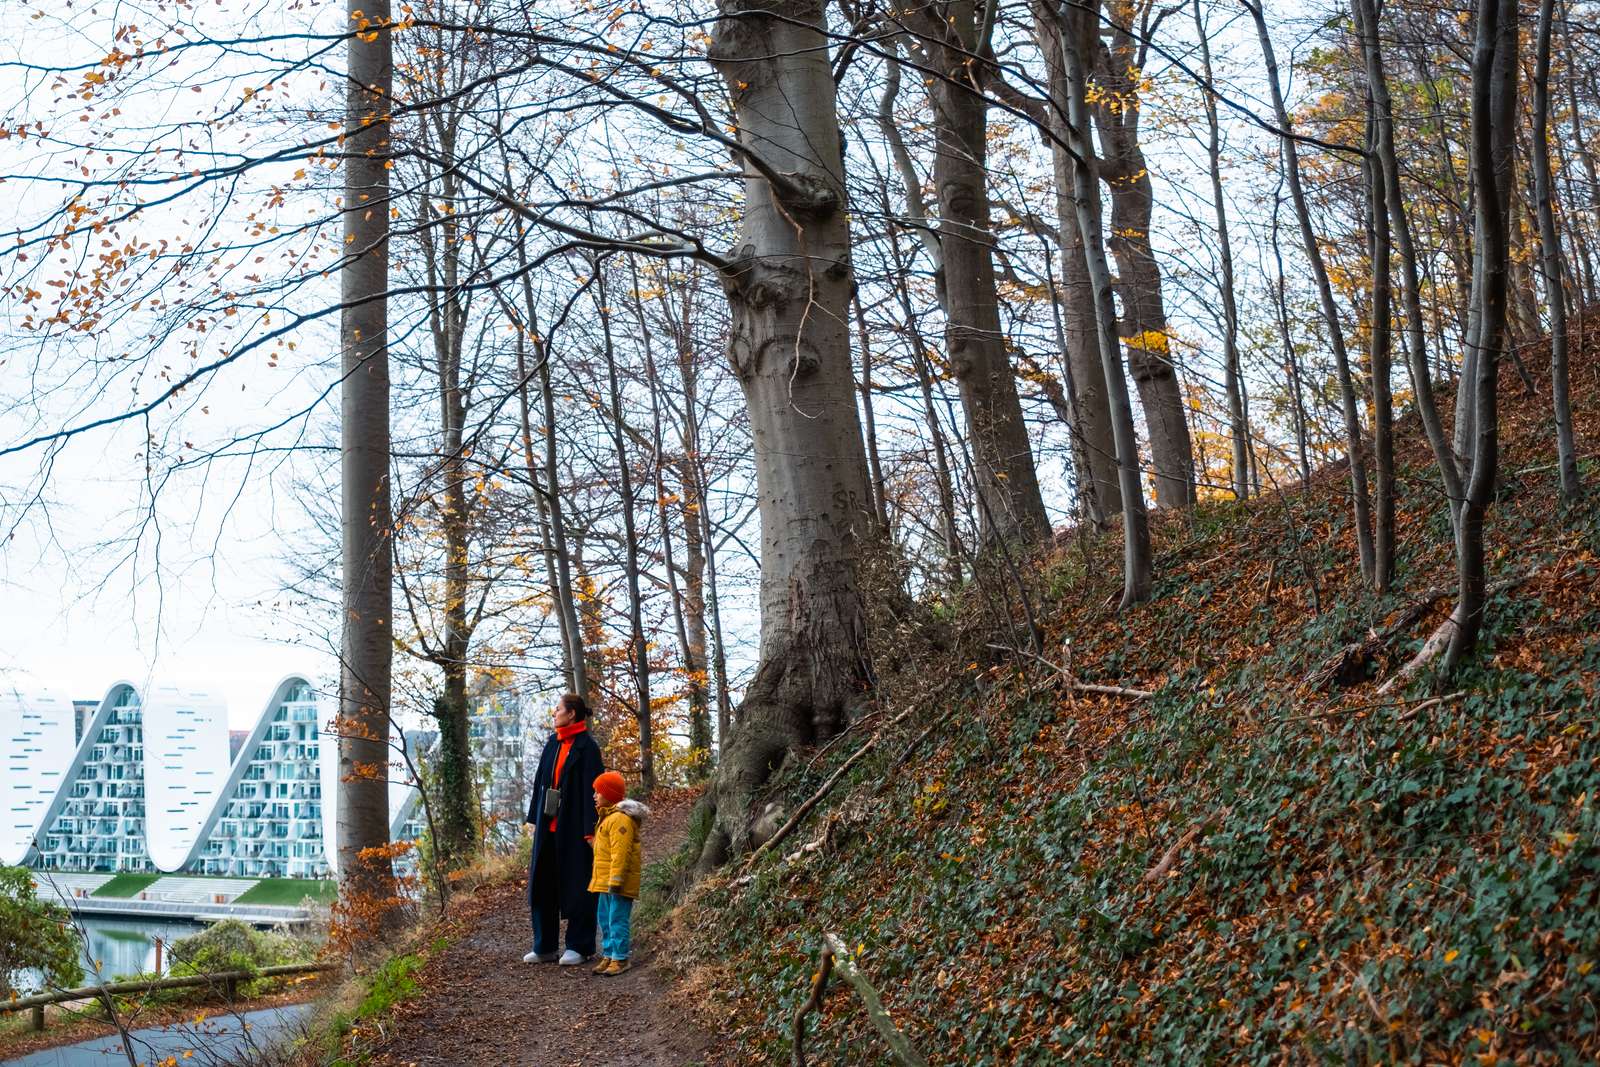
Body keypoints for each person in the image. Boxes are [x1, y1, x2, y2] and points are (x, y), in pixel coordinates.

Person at [523, 693, 605, 965]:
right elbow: (540, 783)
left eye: (557, 709)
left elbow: (593, 791)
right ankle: (544, 946)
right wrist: (534, 820)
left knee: (579, 884)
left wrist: (590, 830)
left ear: (571, 714)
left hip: (575, 828)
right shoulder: (552, 743)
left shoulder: (587, 747)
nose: (554, 713)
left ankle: (579, 946)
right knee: (542, 882)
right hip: (549, 827)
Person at [587, 770, 649, 976]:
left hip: (617, 883)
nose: (594, 796)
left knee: (617, 918)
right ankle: (610, 953)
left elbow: (620, 853)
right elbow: (606, 851)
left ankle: (621, 958)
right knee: (604, 918)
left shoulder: (620, 820)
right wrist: (593, 842)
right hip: (605, 882)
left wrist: (616, 879)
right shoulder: (607, 818)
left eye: (598, 792)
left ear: (610, 794)